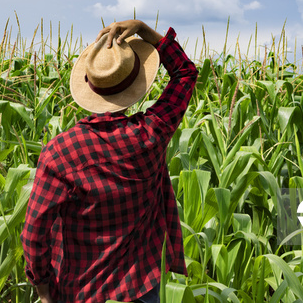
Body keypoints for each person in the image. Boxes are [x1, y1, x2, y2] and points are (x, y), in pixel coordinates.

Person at [21, 19, 198, 303]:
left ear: (90, 87)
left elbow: (34, 233)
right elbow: (185, 74)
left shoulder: (60, 153)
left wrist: (43, 291)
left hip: (83, 292)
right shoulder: (151, 134)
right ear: (135, 85)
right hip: (143, 287)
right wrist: (146, 31)